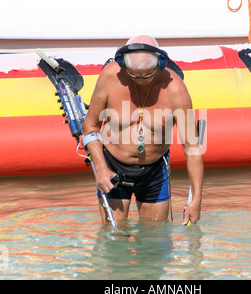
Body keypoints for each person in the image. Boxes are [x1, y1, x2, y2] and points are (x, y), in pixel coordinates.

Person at [82, 35, 203, 225]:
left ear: (159, 65)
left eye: (146, 75)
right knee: (114, 238)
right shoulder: (110, 77)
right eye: (133, 75)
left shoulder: (176, 90)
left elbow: (191, 147)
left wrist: (196, 200)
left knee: (154, 240)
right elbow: (90, 126)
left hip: (154, 171)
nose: (140, 81)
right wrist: (101, 168)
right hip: (112, 167)